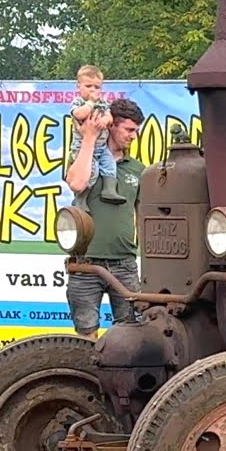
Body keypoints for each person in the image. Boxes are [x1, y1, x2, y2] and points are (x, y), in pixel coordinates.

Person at [64, 97, 145, 339]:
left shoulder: (138, 169)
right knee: (86, 336)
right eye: (129, 130)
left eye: (136, 131)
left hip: (125, 264)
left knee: (132, 334)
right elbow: (77, 183)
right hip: (86, 263)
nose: (133, 136)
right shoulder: (83, 156)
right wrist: (89, 137)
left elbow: (143, 216)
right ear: (111, 126)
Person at [70, 65, 126, 205]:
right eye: (88, 86)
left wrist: (105, 120)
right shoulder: (79, 102)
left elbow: (109, 116)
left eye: (97, 87)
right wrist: (90, 102)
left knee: (110, 164)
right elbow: (79, 114)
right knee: (91, 171)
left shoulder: (102, 103)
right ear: (79, 86)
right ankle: (81, 199)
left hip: (101, 146)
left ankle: (109, 190)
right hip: (82, 147)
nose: (93, 90)